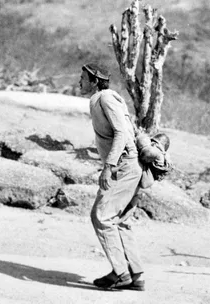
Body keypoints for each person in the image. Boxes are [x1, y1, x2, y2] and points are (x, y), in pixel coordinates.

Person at [79, 63, 145, 291]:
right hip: (127, 165)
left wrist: (109, 166)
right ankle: (136, 275)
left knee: (102, 217)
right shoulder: (104, 99)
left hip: (123, 166)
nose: (80, 82)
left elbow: (121, 132)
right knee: (120, 220)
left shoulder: (105, 98)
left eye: (83, 78)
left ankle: (121, 274)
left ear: (95, 80)